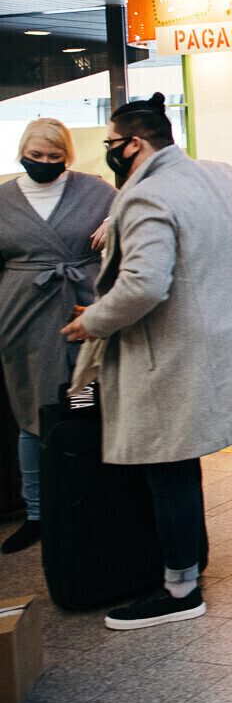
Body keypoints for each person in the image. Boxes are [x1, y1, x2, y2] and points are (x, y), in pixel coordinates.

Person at [61, 94, 232, 630]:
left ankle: (181, 590)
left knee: (170, 466)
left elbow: (144, 285)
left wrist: (95, 321)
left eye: (112, 143)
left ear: (134, 143)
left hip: (178, 354)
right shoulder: (224, 175)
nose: (110, 151)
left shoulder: (145, 196)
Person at [0, 120, 116, 554]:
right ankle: (37, 514)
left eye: (55, 157)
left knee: (84, 408)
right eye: (36, 156)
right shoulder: (3, 199)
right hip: (23, 318)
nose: (45, 163)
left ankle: (89, 503)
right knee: (32, 417)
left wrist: (116, 219)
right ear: (21, 152)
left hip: (82, 313)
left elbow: (143, 212)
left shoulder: (97, 191)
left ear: (68, 156)